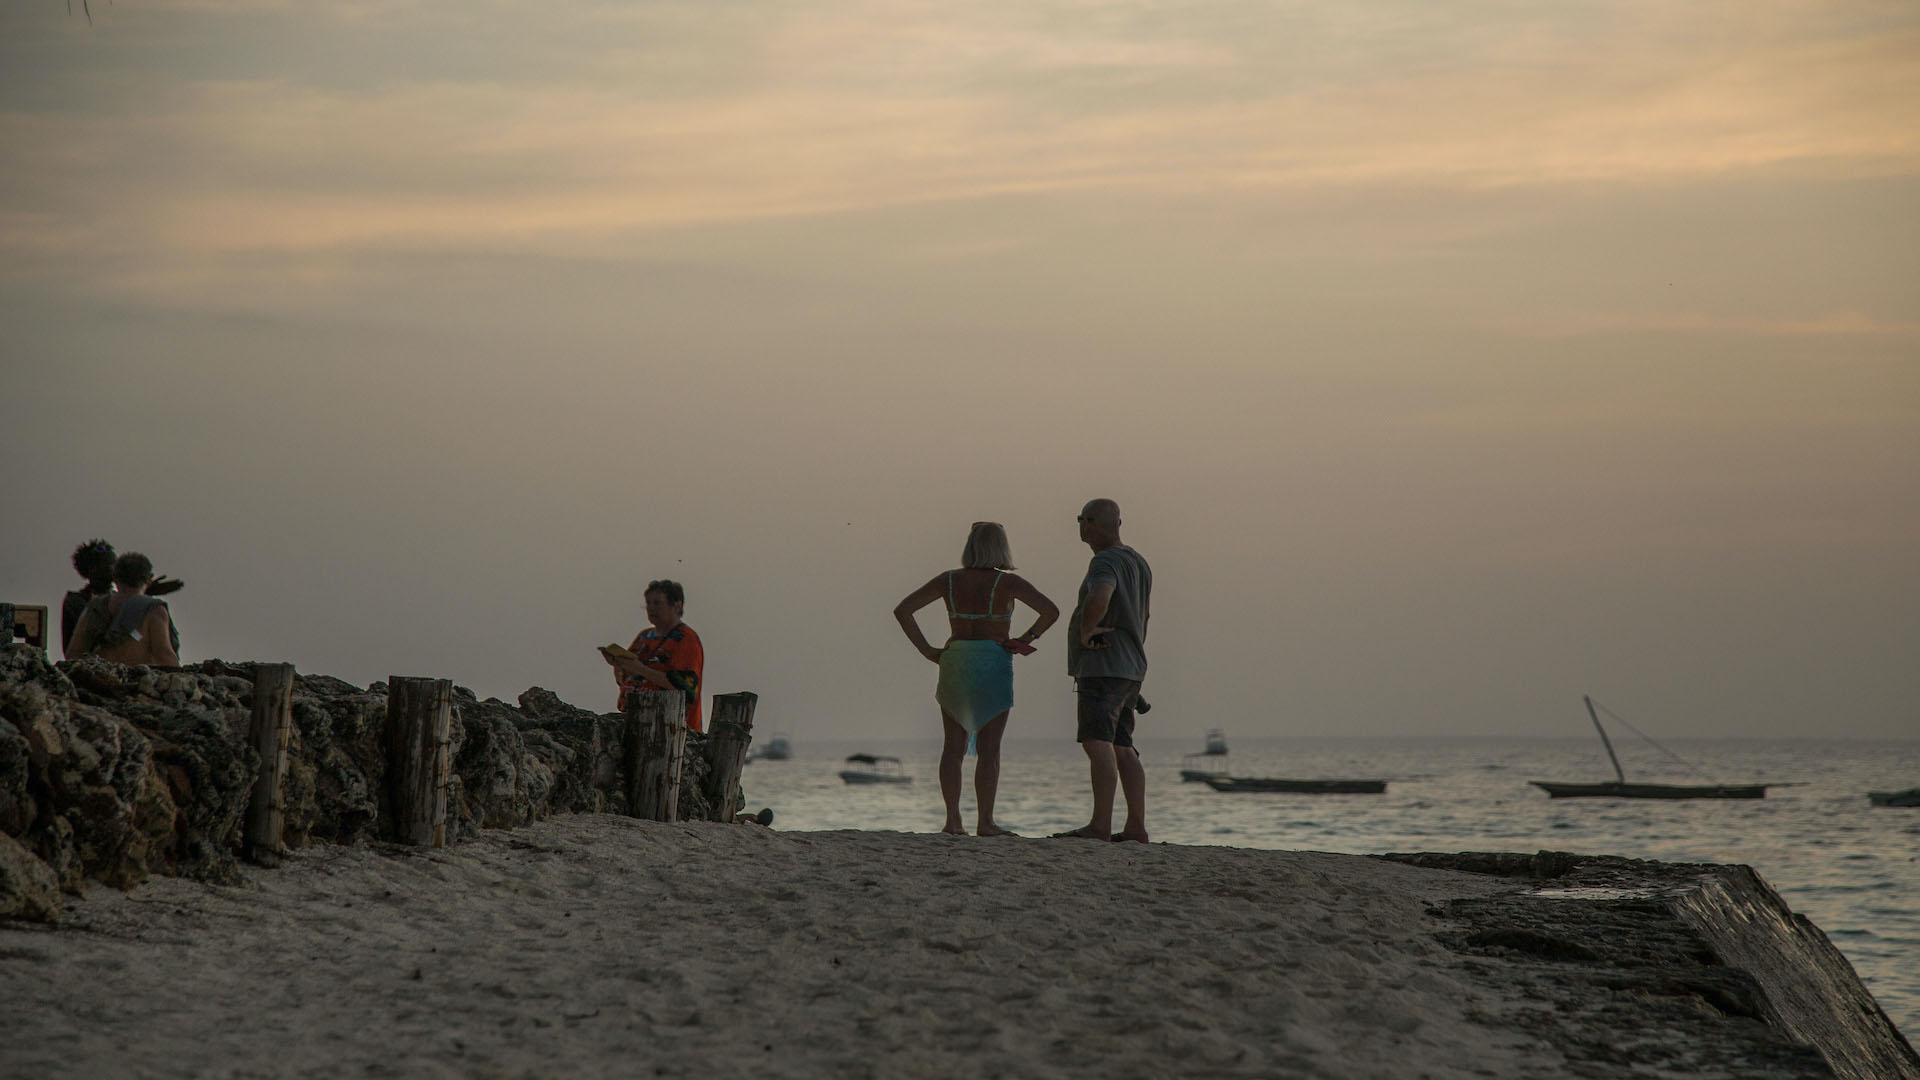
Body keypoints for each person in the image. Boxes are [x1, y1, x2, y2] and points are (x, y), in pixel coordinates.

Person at [894, 521, 1059, 836]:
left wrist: (927, 650)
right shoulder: (1008, 583)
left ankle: (952, 821)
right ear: (1001, 548)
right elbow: (1050, 611)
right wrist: (1024, 638)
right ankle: (985, 822)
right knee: (990, 749)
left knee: (952, 747)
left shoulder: (949, 581)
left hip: (955, 658)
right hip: (993, 659)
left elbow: (904, 610)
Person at [1056, 499, 1152, 843]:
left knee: (1098, 742)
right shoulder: (1138, 562)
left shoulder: (1106, 561)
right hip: (1130, 667)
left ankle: (1100, 825)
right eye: (1080, 519)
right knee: (1122, 745)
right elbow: (1144, 617)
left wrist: (1085, 632)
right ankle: (1136, 826)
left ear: (1110, 523)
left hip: (1104, 665)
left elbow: (1100, 597)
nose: (1083, 526)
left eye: (1088, 519)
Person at [601, 579, 706, 732]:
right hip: (636, 722)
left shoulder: (686, 639)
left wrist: (640, 669)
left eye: (658, 603)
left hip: (674, 730)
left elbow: (685, 688)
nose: (651, 608)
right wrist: (619, 665)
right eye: (648, 603)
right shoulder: (644, 637)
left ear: (677, 606)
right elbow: (627, 678)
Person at [61, 540, 182, 659]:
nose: (112, 568)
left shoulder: (127, 601)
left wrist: (142, 593)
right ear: (90, 569)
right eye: (106, 564)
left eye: (114, 564)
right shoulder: (79, 602)